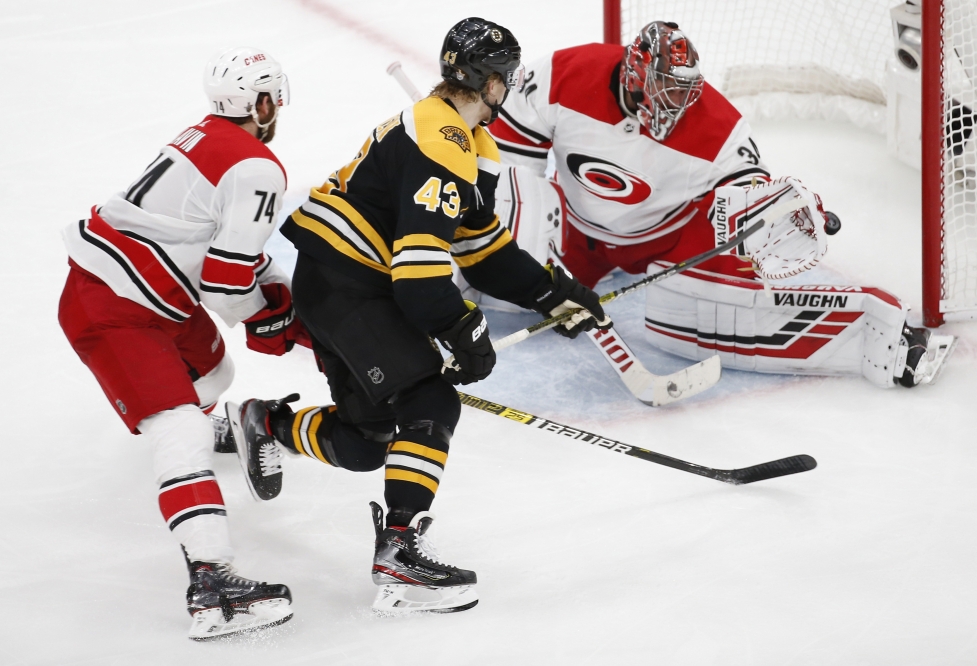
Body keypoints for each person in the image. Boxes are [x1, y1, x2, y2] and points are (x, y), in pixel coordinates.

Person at [226, 17, 610, 614]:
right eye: (504, 78)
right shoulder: (442, 141)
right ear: (484, 81)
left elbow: (481, 253)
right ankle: (399, 556)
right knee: (429, 402)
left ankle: (264, 423)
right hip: (348, 284)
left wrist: (550, 292)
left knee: (365, 441)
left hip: (341, 280)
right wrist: (462, 329)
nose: (508, 89)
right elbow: (418, 273)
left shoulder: (463, 141)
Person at [487, 21, 955, 390]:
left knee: (710, 313)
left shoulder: (719, 125)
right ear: (634, 76)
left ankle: (882, 340)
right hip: (574, 227)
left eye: (683, 97)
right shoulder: (563, 73)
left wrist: (779, 212)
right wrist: (529, 253)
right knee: (498, 273)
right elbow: (507, 161)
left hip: (668, 239)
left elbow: (749, 198)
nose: (675, 111)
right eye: (664, 97)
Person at [58, 47, 301, 640]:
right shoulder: (258, 166)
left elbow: (204, 232)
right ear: (264, 102)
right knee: (179, 431)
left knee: (215, 378)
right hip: (112, 306)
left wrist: (266, 286)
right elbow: (222, 286)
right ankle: (212, 585)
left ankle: (223, 427)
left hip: (150, 288)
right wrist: (263, 315)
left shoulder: (204, 132)